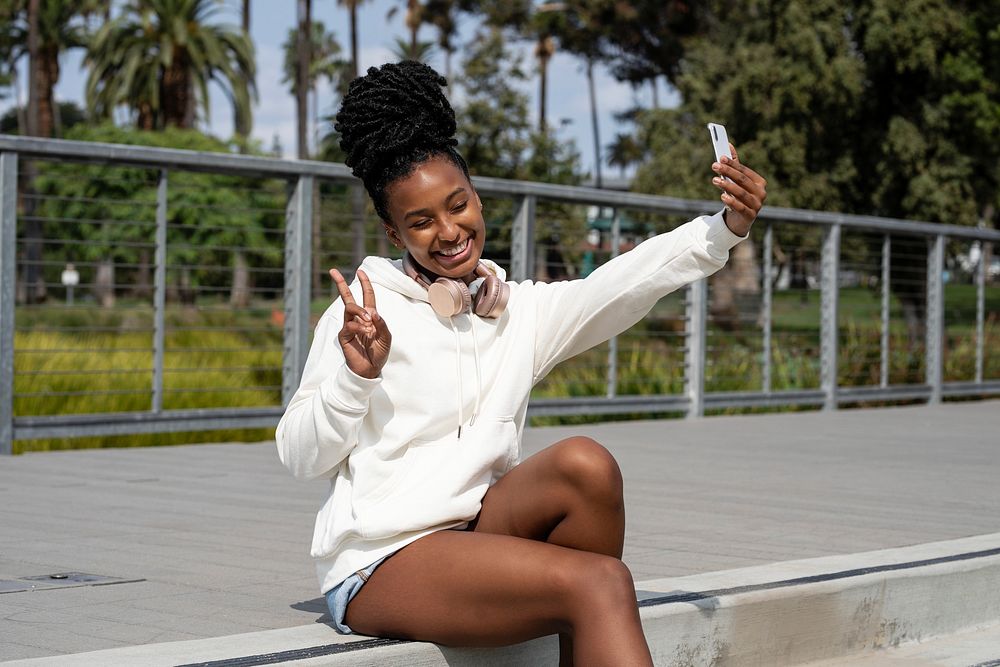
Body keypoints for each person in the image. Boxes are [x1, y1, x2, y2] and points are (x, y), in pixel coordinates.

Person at [276, 60, 767, 666]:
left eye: (458, 205)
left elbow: (620, 284)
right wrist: (355, 378)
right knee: (601, 581)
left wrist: (725, 230)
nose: (449, 231)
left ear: (477, 198)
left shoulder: (514, 311)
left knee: (586, 465)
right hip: (381, 559)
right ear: (393, 234)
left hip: (476, 532)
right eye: (421, 221)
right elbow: (299, 457)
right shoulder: (364, 317)